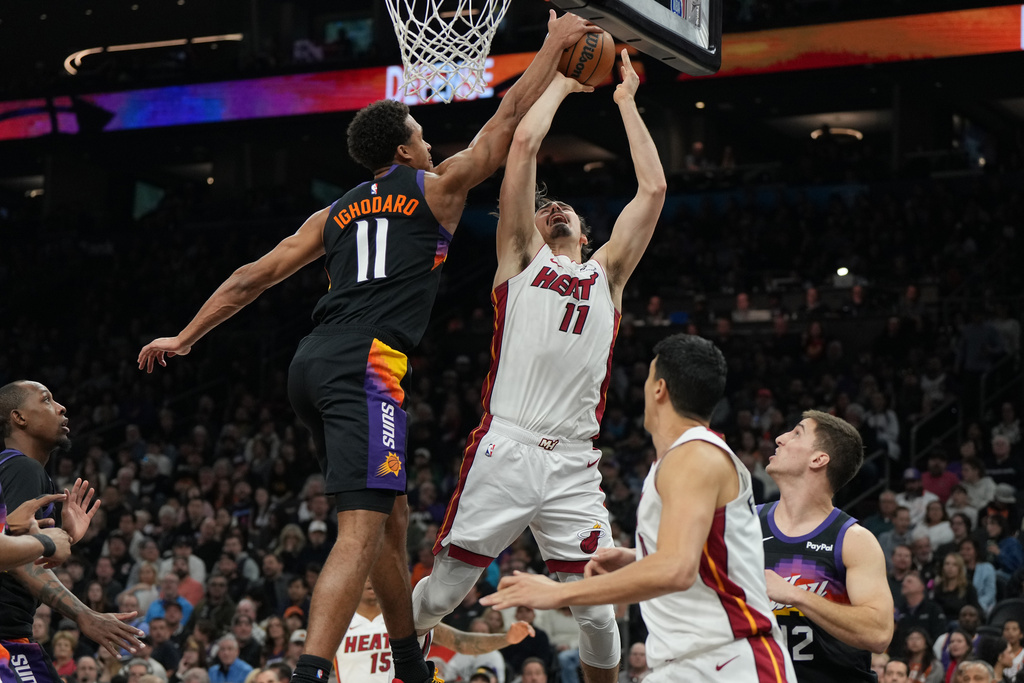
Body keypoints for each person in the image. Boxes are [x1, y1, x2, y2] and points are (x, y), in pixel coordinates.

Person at [136, 12, 600, 683]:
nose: (433, 144)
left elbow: (251, 277)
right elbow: (504, 121)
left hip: (312, 360)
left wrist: (184, 335)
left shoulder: (334, 213)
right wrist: (554, 51)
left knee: (392, 516)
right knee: (357, 529)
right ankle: (313, 672)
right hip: (369, 365)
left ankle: (408, 662)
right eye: (423, 136)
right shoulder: (436, 190)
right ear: (407, 153)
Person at [414, 51, 666, 683]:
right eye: (546, 208)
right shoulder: (522, 260)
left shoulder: (607, 274)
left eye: (567, 210)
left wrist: (626, 102)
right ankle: (392, 659)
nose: (556, 211)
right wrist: (562, 78)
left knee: (599, 612)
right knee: (443, 596)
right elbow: (524, 143)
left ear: (586, 232)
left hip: (575, 462)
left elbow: (654, 190)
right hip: (508, 446)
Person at [480, 335, 796, 682]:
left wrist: (558, 593)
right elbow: (712, 551)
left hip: (731, 660)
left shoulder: (693, 456)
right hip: (688, 662)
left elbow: (676, 569)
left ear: (659, 388)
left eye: (647, 379)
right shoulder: (688, 456)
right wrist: (639, 555)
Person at [0, 380, 146, 683]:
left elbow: (17, 549)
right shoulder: (22, 469)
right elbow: (14, 558)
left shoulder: (18, 471)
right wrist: (84, 614)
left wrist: (63, 538)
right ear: (19, 417)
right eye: (46, 400)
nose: (61, 407)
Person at [760, 410, 894, 682]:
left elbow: (879, 634)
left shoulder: (854, 539)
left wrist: (794, 594)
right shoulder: (742, 524)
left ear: (818, 459)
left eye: (797, 433)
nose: (780, 438)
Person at [334, 580, 534, 682]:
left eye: (376, 571)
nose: (370, 579)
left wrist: (506, 638)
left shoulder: (405, 619)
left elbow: (460, 642)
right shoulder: (337, 624)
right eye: (365, 572)